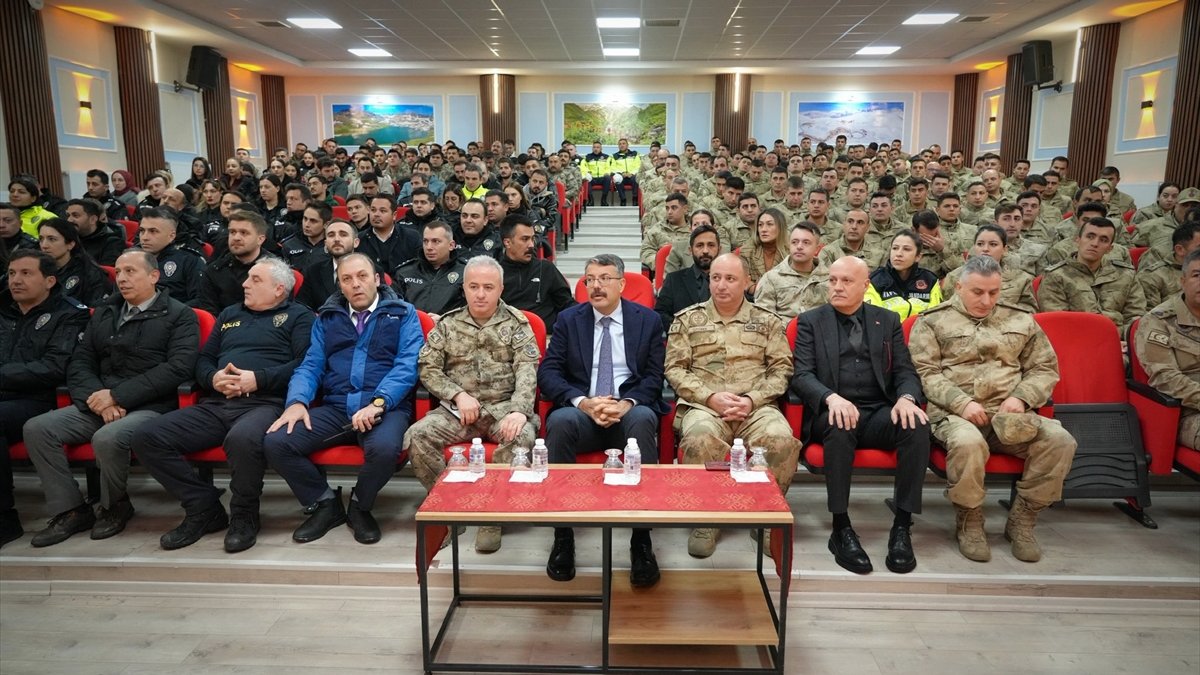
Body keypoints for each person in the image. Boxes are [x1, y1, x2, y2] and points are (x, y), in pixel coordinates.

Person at [132, 258, 313, 553]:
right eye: (247, 278)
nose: (244, 284)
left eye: (255, 280)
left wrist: (259, 379)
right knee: (146, 436)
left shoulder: (299, 317)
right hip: (216, 403)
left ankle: (244, 515)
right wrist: (213, 377)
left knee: (242, 439)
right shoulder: (230, 314)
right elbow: (202, 360)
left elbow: (306, 364)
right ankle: (203, 507)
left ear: (280, 289)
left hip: (264, 403)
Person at [23, 249, 199, 546]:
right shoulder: (106, 311)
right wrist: (97, 397)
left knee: (108, 438)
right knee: (38, 428)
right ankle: (71, 509)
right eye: (118, 272)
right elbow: (80, 361)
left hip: (151, 406)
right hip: (99, 401)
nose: (122, 278)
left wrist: (118, 396)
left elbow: (178, 368)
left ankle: (114, 504)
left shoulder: (179, 315)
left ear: (154, 276)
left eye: (131, 271)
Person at [909, 255, 1077, 563]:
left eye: (994, 292)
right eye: (977, 292)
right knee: (968, 443)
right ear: (958, 286)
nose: (986, 300)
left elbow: (1044, 368)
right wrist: (962, 402)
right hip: (954, 415)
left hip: (1011, 415)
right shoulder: (932, 320)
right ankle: (970, 520)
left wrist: (1023, 397)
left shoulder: (1021, 320)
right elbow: (925, 373)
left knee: (1060, 440)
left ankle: (1023, 519)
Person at [263, 253, 423, 545]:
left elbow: (407, 365)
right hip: (337, 407)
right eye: (347, 279)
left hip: (385, 407)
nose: (356, 284)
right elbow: (311, 365)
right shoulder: (327, 317)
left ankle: (360, 505)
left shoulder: (403, 313)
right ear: (340, 286)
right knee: (277, 441)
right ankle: (325, 503)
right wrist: (296, 402)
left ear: (377, 279)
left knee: (386, 449)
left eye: (362, 276)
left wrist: (379, 403)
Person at [790, 256, 930, 574]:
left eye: (846, 281)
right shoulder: (811, 321)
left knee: (917, 425)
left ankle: (902, 526)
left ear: (865, 286)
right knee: (840, 426)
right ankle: (841, 527)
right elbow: (802, 375)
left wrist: (907, 398)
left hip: (878, 410)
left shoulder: (887, 320)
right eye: (833, 280)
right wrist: (830, 398)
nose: (837, 287)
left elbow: (906, 371)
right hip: (833, 411)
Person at [538, 254, 668, 586]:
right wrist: (584, 402)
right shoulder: (569, 320)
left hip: (627, 413)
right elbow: (549, 373)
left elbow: (654, 377)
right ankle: (563, 535)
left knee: (642, 418)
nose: (596, 285)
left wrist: (626, 403)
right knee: (561, 421)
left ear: (623, 284)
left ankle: (641, 539)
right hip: (584, 414)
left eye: (604, 278)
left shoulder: (647, 321)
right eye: (590, 279)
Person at [665, 254, 800, 558]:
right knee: (699, 438)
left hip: (756, 406)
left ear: (747, 282)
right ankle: (706, 519)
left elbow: (782, 370)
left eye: (730, 279)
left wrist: (752, 399)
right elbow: (675, 369)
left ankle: (766, 518)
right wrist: (710, 397)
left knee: (781, 439)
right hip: (705, 405)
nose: (722, 285)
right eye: (716, 278)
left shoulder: (767, 320)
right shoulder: (687, 319)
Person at [405, 255, 539, 552]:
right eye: (474, 286)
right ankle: (450, 507)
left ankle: (492, 514)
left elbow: (528, 370)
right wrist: (456, 394)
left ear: (500, 288)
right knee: (417, 435)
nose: (480, 294)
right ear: (463, 287)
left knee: (521, 438)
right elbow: (427, 367)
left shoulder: (518, 324)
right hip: (458, 412)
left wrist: (519, 411)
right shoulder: (449, 324)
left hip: (503, 409)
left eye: (488, 287)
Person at [0, 251, 90, 547]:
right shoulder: (3, 308)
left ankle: (5, 517)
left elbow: (55, 367)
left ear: (49, 280)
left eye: (26, 273)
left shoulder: (69, 312)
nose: (16, 280)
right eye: (12, 273)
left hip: (40, 399)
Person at [1135, 248, 1200, 450]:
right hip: (1187, 412)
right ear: (1183, 281)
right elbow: (1165, 377)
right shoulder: (1159, 321)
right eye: (1197, 275)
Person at [1038, 217, 1145, 339]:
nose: (1095, 244)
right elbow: (1058, 323)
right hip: (1076, 344)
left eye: (1103, 240)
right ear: (1078, 240)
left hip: (1120, 344)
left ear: (1110, 248)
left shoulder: (1126, 274)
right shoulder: (1056, 276)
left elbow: (1135, 316)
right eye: (1090, 236)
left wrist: (1124, 342)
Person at [497, 213, 574, 330]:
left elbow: (567, 305)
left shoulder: (546, 268)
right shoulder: (494, 273)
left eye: (533, 238)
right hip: (504, 338)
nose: (531, 245)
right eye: (525, 239)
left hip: (545, 337)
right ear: (507, 242)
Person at [943, 225, 1037, 312]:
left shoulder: (1021, 279)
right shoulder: (955, 277)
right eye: (980, 244)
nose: (985, 249)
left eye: (993, 244)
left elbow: (1029, 312)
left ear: (1004, 249)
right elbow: (945, 310)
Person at [194, 210, 269, 315]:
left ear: (260, 239)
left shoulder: (274, 271)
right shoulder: (214, 271)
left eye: (244, 233)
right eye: (232, 232)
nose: (236, 238)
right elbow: (209, 314)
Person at [754, 221, 829, 319]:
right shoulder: (771, 278)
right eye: (794, 242)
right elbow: (762, 317)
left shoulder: (829, 278)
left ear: (817, 249)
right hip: (782, 332)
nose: (799, 247)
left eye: (806, 243)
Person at [392, 220, 465, 320]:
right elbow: (392, 307)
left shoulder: (465, 273)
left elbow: (473, 312)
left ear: (451, 245)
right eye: (426, 241)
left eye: (436, 241)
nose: (429, 247)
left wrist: (446, 321)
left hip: (449, 332)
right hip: (410, 329)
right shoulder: (405, 272)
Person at [655, 224, 720, 333]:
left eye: (711, 245)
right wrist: (682, 330)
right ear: (690, 250)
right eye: (699, 245)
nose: (705, 251)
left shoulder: (730, 280)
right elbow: (660, 314)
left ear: (719, 249)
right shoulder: (674, 280)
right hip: (684, 341)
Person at [864, 230, 943, 320]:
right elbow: (873, 320)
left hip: (921, 332)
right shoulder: (875, 280)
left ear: (918, 257)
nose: (898, 254)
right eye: (895, 248)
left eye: (906, 249)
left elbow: (935, 317)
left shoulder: (930, 280)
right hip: (887, 333)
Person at [37, 218, 113, 306]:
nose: (44, 245)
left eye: (52, 239)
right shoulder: (36, 270)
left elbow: (95, 311)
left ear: (70, 244)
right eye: (41, 239)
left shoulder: (90, 274)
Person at [137, 207, 206, 304]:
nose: (145, 237)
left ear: (171, 236)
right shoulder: (132, 259)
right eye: (142, 231)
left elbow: (200, 300)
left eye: (153, 231)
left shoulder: (189, 261)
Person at [297, 219, 359, 311]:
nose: (337, 239)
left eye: (343, 234)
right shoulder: (313, 272)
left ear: (356, 242)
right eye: (331, 235)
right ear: (326, 244)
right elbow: (301, 307)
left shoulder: (371, 270)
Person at [357, 194, 421, 273]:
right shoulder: (359, 239)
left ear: (394, 215)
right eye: (373, 210)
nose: (376, 214)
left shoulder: (412, 237)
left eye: (383, 211)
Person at [67, 198, 126, 266]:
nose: (69, 220)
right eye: (68, 215)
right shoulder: (67, 239)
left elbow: (105, 273)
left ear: (93, 219)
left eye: (75, 215)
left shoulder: (113, 242)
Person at [741, 207, 786, 285]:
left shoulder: (790, 253)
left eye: (769, 224)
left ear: (780, 227)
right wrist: (752, 288)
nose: (763, 229)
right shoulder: (747, 252)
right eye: (760, 225)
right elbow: (741, 279)